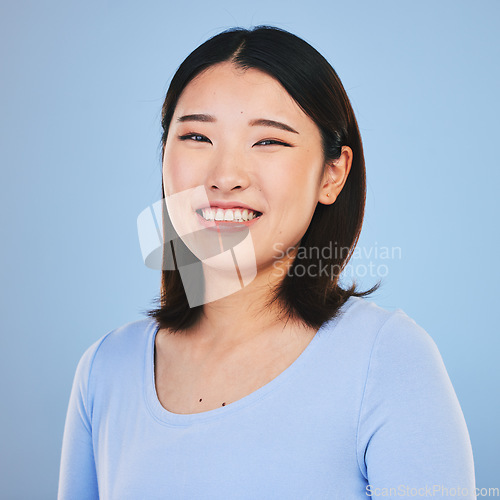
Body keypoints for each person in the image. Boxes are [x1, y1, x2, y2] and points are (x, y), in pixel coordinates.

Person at [58, 26, 476, 499]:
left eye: (269, 142)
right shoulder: (104, 371)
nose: (225, 177)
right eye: (197, 136)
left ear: (332, 174)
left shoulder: (388, 360)